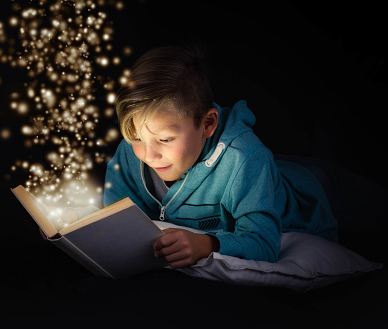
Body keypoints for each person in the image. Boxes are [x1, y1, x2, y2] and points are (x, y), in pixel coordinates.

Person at [103, 45, 386, 269]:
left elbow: (263, 243)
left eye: (165, 139)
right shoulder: (130, 153)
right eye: (136, 138)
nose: (148, 154)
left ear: (208, 124)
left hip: (313, 192)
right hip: (269, 172)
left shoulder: (243, 159)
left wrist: (207, 244)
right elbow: (114, 221)